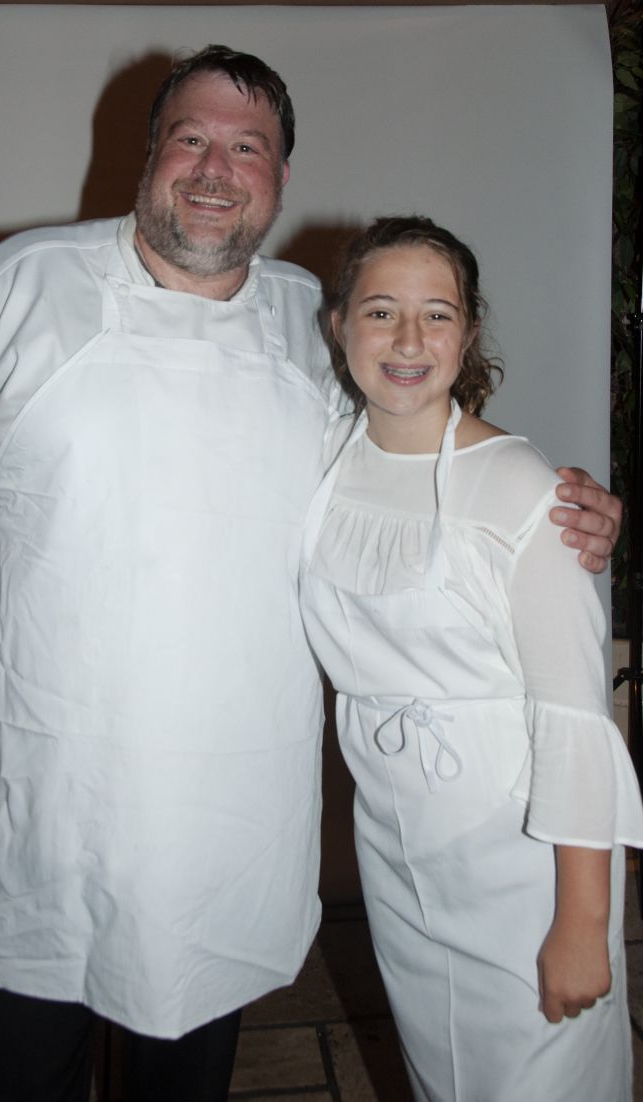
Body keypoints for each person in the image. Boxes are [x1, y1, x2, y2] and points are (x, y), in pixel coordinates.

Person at [0, 48, 621, 1102]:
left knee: (184, 1055)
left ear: (280, 178)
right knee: (11, 1055)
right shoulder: (17, 288)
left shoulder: (309, 322)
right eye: (192, 139)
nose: (216, 169)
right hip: (37, 799)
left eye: (247, 148)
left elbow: (416, 437)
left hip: (222, 820)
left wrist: (558, 503)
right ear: (150, 154)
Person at [299, 215, 643, 1101]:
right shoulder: (318, 461)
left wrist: (582, 923)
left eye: (437, 315)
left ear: (470, 332)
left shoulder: (523, 489)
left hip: (521, 860)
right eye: (381, 312)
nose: (409, 341)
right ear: (339, 326)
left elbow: (575, 720)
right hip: (398, 850)